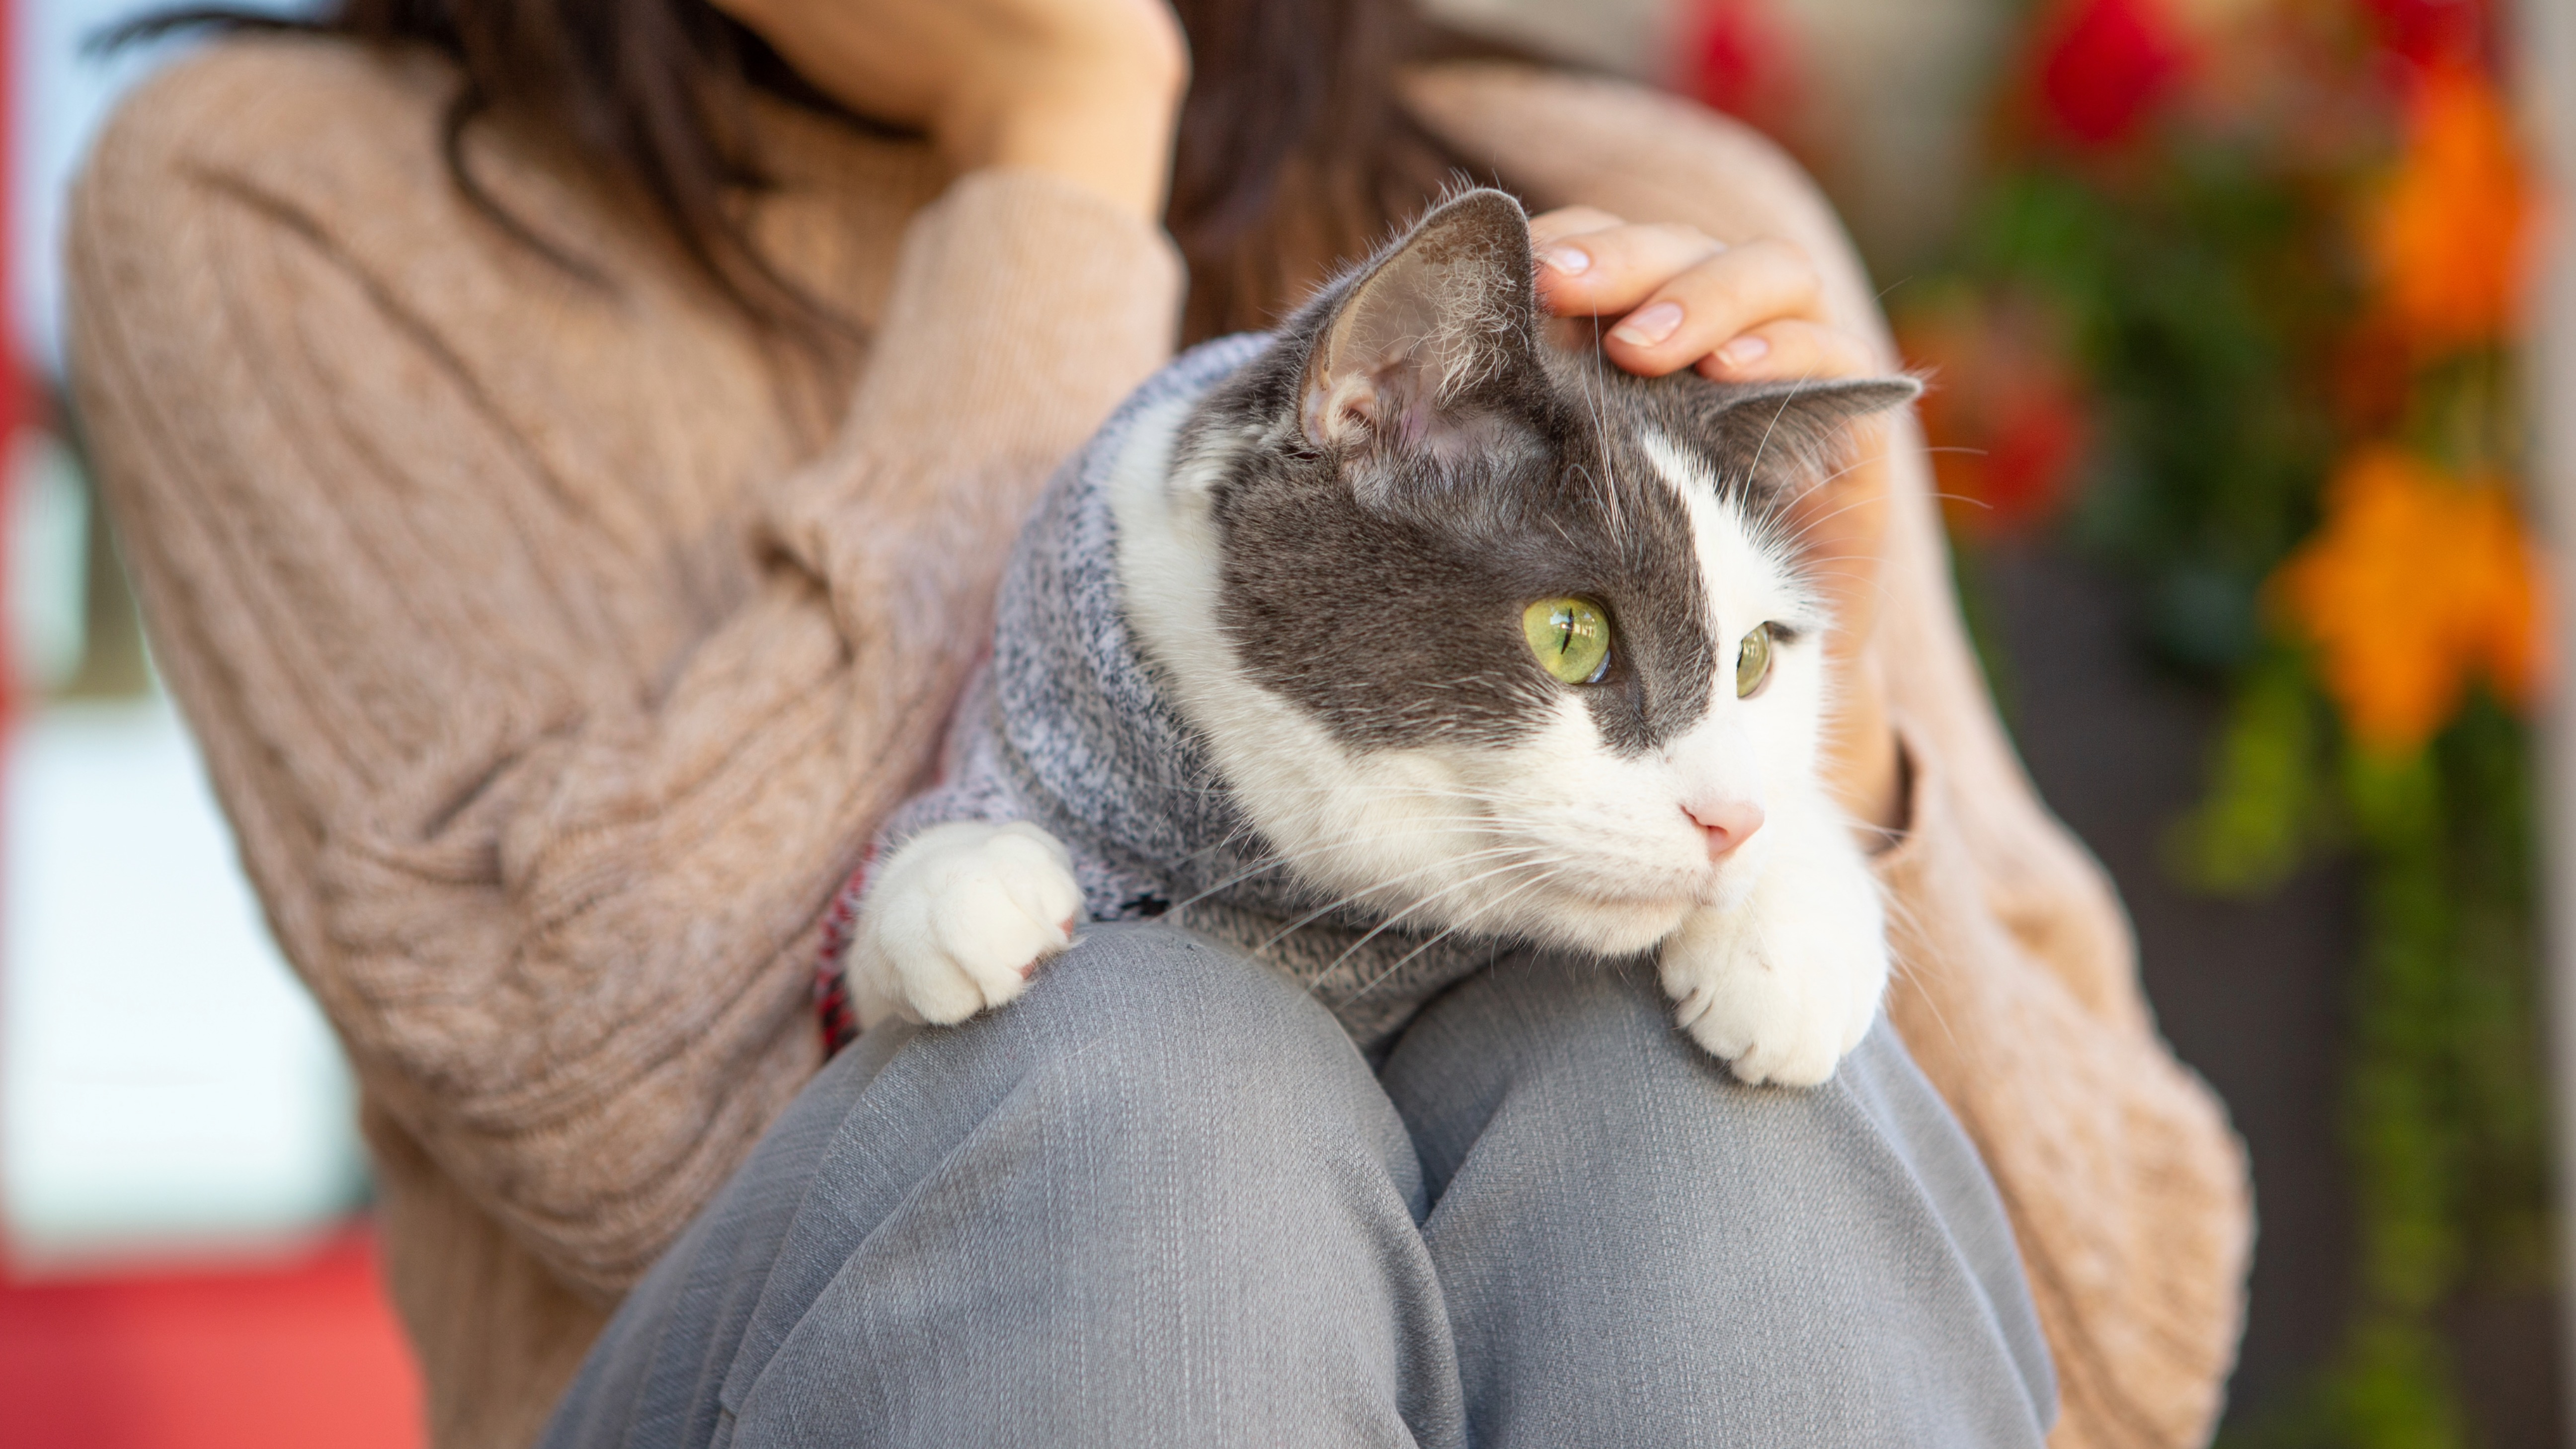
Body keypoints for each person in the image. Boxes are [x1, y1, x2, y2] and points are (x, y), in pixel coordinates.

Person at [65, 1, 2250, 1445]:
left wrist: (1808, 756)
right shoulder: (277, 200)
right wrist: (1056, 146)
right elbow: (623, 1126)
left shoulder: (1644, 231)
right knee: (1143, 1073)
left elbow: (2128, 1338)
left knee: (1671, 1072)